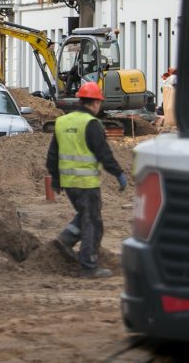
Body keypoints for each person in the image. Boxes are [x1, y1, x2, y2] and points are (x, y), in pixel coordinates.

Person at [46, 81, 128, 278]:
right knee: (93, 222)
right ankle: (88, 266)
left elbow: (52, 156)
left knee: (85, 215)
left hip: (69, 183)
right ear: (96, 103)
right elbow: (103, 153)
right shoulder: (91, 124)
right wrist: (118, 173)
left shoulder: (62, 121)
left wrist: (56, 180)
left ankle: (66, 238)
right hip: (86, 183)